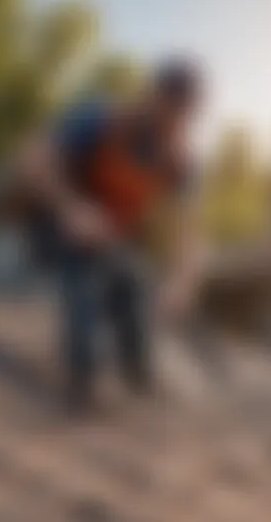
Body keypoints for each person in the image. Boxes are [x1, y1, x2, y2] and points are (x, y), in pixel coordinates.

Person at [16, 59, 204, 413]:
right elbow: (33, 159)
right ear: (152, 96)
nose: (174, 120)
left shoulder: (180, 160)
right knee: (85, 280)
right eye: (169, 106)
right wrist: (70, 208)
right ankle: (80, 378)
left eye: (184, 113)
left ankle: (141, 378)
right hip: (60, 220)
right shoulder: (100, 118)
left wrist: (181, 283)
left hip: (116, 239)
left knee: (134, 289)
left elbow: (189, 231)